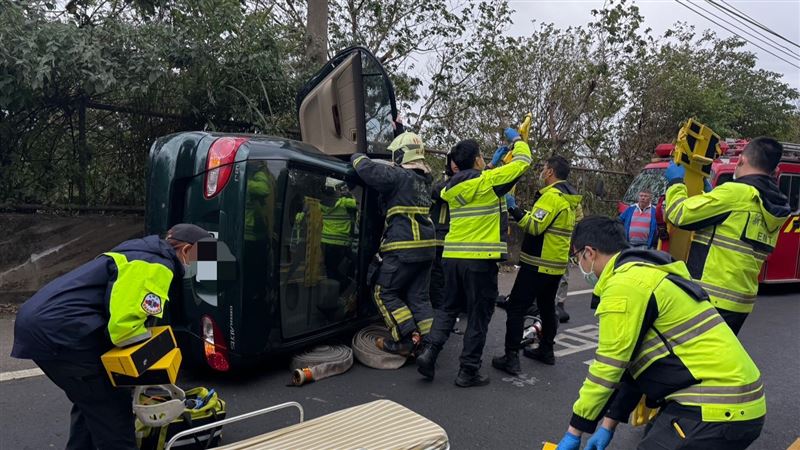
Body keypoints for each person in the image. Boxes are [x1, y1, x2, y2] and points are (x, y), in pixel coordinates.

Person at [556, 216, 765, 450]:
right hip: (731, 402)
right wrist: (608, 426)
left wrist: (574, 431)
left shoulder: (625, 285)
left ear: (589, 252)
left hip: (716, 407)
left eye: (576, 259)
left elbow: (607, 367)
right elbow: (632, 366)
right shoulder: (650, 272)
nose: (579, 266)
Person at [11, 224, 212, 450]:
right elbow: (124, 329)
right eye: (198, 257)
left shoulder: (137, 252)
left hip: (47, 326)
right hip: (63, 333)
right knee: (113, 413)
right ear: (186, 250)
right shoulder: (156, 265)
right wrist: (153, 351)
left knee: (91, 403)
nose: (196, 265)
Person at [416, 137, 532, 387]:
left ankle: (429, 353)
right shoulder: (488, 183)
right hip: (479, 261)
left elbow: (476, 179)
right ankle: (468, 371)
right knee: (479, 315)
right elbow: (523, 162)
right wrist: (518, 140)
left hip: (452, 257)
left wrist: (493, 163)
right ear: (476, 159)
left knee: (448, 308)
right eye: (481, 155)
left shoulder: (451, 188)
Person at [663, 137, 790, 334]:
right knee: (715, 360)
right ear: (773, 170)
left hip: (709, 297)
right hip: (740, 303)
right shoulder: (775, 204)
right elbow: (733, 225)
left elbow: (678, 214)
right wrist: (711, 196)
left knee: (690, 360)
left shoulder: (736, 193)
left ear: (741, 161)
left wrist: (675, 182)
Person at [493, 156, 582, 373]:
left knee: (516, 307)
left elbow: (534, 226)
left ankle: (511, 358)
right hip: (556, 264)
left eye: (543, 168)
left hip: (536, 264)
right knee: (546, 307)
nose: (542, 172)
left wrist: (514, 209)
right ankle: (546, 350)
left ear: (550, 172)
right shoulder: (572, 199)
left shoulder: (551, 196)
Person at [350, 131, 436, 356]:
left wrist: (355, 155)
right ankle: (429, 345)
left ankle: (406, 340)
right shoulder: (426, 181)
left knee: (383, 292)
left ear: (401, 155)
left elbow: (367, 170)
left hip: (403, 248)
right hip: (426, 249)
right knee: (420, 297)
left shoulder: (397, 176)